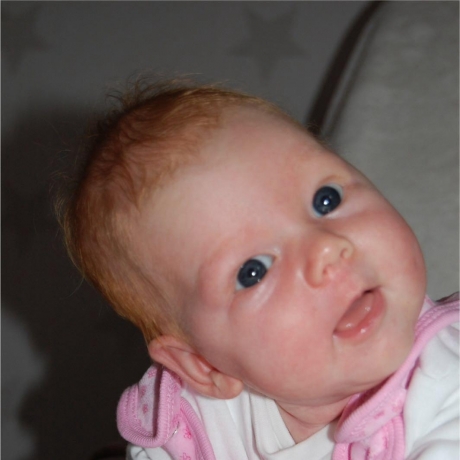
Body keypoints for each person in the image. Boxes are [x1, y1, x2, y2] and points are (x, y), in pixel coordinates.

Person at [60, 80, 459, 459]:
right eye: (253, 271)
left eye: (326, 199)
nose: (325, 247)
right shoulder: (190, 424)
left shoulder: (445, 385)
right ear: (203, 366)